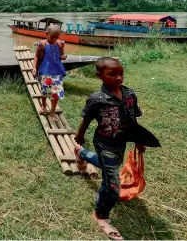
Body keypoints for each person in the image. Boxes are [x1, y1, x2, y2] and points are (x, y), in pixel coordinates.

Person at [73, 57, 146, 241]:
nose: (119, 78)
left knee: (108, 165)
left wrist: (139, 139)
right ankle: (101, 215)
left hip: (121, 142)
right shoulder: (96, 99)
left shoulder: (129, 94)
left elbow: (133, 119)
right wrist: (80, 136)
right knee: (112, 186)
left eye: (121, 73)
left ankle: (81, 153)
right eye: (112, 74)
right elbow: (87, 119)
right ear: (99, 76)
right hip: (104, 143)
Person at [31, 25, 67, 121]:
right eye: (52, 37)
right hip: (45, 71)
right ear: (46, 34)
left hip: (57, 72)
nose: (54, 39)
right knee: (45, 91)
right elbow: (37, 56)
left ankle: (52, 111)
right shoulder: (42, 44)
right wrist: (34, 67)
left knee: (56, 93)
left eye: (57, 37)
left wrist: (64, 56)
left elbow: (62, 54)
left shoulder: (60, 44)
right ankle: (43, 106)